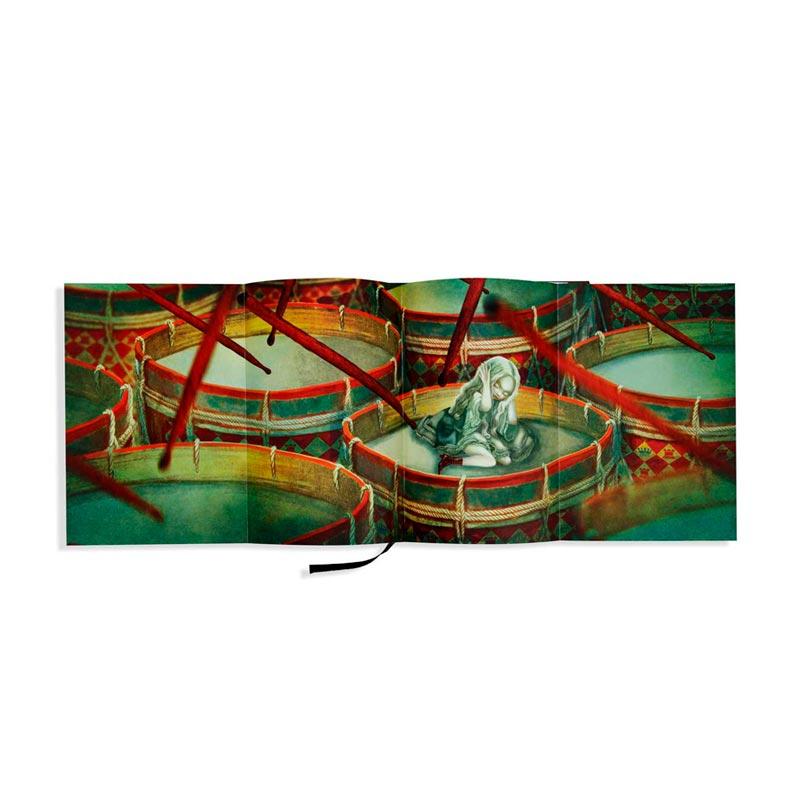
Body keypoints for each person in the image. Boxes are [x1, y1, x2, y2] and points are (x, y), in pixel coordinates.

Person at [415, 356, 536, 473]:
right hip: (464, 434)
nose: (500, 394)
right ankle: (450, 461)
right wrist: (486, 383)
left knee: (506, 460)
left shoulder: (498, 402)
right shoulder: (477, 395)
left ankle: (479, 452)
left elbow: (512, 421)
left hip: (483, 434)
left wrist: (510, 399)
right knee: (490, 461)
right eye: (496, 386)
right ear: (490, 380)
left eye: (505, 393)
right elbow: (485, 406)